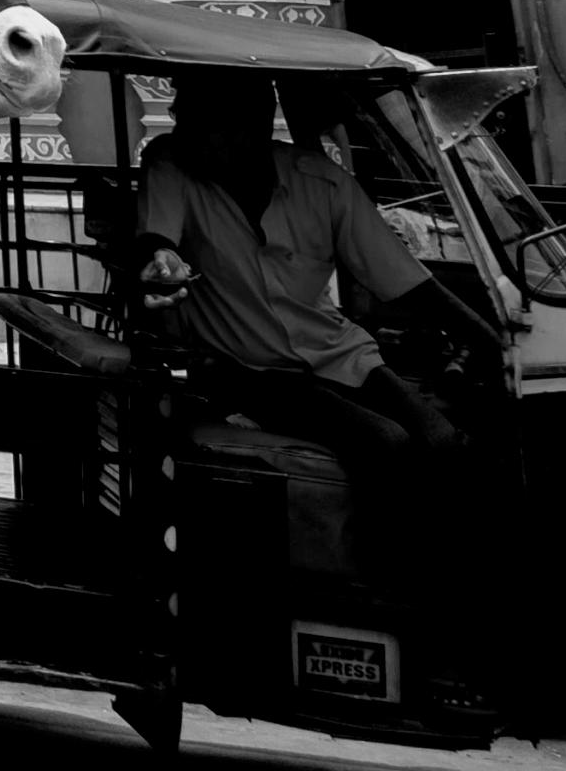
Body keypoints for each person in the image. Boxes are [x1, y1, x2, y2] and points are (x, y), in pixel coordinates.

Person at [132, 69, 480, 490]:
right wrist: (161, 260)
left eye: (203, 124)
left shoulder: (322, 181)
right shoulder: (172, 161)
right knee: (387, 442)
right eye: (182, 120)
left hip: (338, 351)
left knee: (445, 441)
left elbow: (404, 278)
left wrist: (489, 338)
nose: (187, 136)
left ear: (256, 123)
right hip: (246, 369)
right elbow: (159, 240)